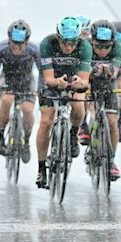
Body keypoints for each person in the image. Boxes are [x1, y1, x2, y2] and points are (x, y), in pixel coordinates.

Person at [35, 16, 92, 189]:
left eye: (72, 43)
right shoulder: (47, 44)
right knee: (46, 121)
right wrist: (57, 82)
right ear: (58, 38)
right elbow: (48, 79)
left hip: (71, 78)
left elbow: (84, 80)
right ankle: (41, 169)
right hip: (50, 80)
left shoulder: (85, 47)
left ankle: (73, 134)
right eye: (65, 42)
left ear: (78, 39)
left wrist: (79, 83)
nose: (68, 47)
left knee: (78, 107)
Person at [79, 20, 121, 180]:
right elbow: (81, 73)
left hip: (107, 84)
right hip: (88, 81)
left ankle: (111, 160)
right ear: (92, 41)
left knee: (112, 122)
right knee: (80, 95)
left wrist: (109, 70)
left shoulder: (118, 48)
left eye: (107, 47)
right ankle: (83, 125)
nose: (102, 50)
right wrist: (92, 72)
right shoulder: (84, 46)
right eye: (98, 46)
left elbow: (115, 73)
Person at [0, 19, 42, 163]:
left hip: (27, 81)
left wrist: (41, 88)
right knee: (6, 100)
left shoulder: (34, 49)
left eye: (20, 45)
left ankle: (26, 142)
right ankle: (0, 138)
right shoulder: (1, 48)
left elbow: (42, 72)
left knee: (27, 109)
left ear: (26, 42)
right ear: (9, 40)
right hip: (8, 80)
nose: (16, 48)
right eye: (13, 44)